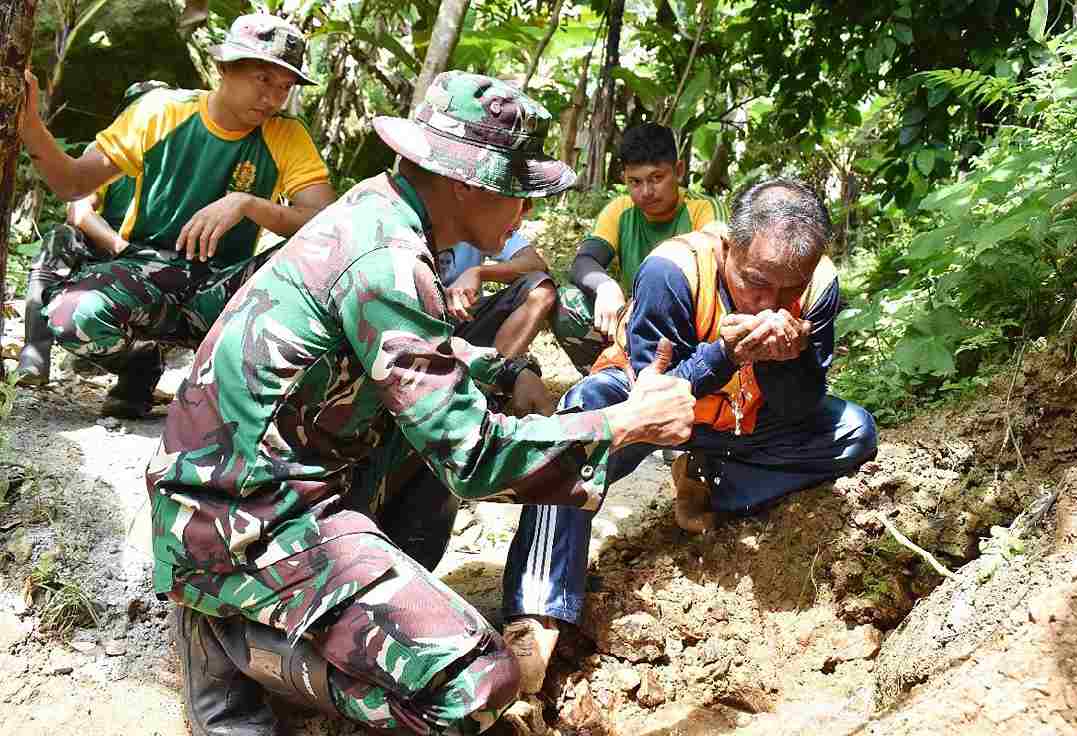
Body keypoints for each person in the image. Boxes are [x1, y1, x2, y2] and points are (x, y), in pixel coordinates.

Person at [146, 71, 696, 736]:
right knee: (478, 685)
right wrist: (622, 422)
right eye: (516, 193)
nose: (525, 214)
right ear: (467, 183)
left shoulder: (383, 212)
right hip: (243, 517)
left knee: (457, 423)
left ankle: (328, 622)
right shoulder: (389, 259)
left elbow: (421, 362)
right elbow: (472, 455)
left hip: (275, 478)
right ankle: (234, 642)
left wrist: (503, 369)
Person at [501, 179, 879, 694]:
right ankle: (536, 613)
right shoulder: (673, 270)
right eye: (755, 284)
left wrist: (784, 360)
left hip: (745, 417)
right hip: (649, 402)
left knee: (852, 431)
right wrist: (725, 354)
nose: (772, 304)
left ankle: (710, 478)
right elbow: (653, 391)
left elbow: (799, 405)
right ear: (729, 248)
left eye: (789, 291)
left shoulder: (821, 286)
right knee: (579, 417)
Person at [16, 13, 336, 417]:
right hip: (143, 270)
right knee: (73, 316)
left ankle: (256, 392)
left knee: (317, 257)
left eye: (285, 87)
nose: (273, 99)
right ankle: (140, 360)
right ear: (223, 68)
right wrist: (28, 124)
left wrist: (248, 203)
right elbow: (73, 184)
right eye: (262, 79)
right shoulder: (161, 112)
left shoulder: (286, 133)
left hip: (222, 288)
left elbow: (325, 220)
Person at [16, 81, 169, 387]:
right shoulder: (106, 154)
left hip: (158, 264)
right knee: (59, 238)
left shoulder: (181, 158)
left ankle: (140, 368)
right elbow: (80, 211)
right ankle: (36, 350)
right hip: (107, 250)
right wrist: (118, 245)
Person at [552, 122, 727, 375]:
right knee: (567, 302)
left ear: (678, 171)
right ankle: (611, 378)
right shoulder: (620, 210)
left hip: (691, 326)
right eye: (635, 181)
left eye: (657, 178)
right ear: (624, 178)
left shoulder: (705, 210)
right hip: (633, 323)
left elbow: (720, 268)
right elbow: (584, 261)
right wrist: (606, 286)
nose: (646, 192)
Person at [440, 232, 558, 415]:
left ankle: (495, 381)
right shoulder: (400, 223)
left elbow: (534, 262)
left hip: (465, 321)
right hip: (411, 332)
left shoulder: (474, 214)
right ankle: (507, 377)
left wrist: (479, 272)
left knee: (540, 288)